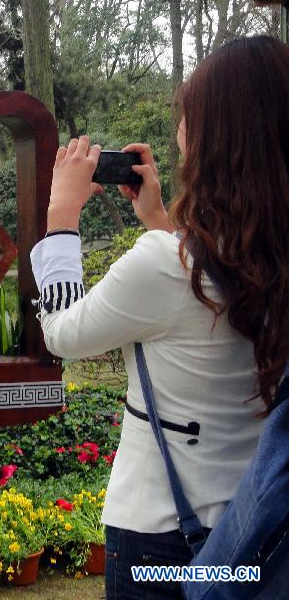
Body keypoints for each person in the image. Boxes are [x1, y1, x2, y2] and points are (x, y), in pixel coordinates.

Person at [29, 35, 289, 600]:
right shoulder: (268, 256)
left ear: (214, 137)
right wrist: (158, 218)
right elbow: (210, 298)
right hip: (254, 532)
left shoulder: (165, 265)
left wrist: (61, 216)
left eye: (187, 120)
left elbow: (64, 334)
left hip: (164, 544)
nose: (178, 134)